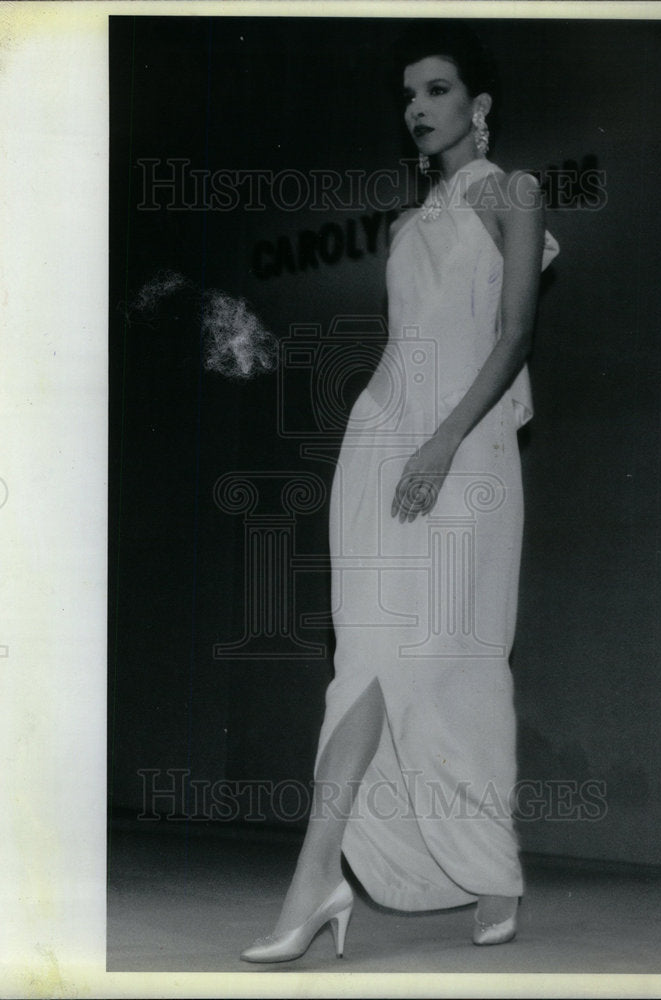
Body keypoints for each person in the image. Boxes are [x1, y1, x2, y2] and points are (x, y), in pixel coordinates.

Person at [241, 21, 559, 963]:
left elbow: (512, 339)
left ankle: (483, 869)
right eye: (410, 96)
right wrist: (399, 443)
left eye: (438, 92)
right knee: (367, 661)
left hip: (465, 452)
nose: (418, 110)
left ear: (480, 105)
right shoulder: (403, 223)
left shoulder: (516, 193)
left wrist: (442, 445)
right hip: (381, 441)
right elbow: (404, 346)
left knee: (450, 657)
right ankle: (318, 879)